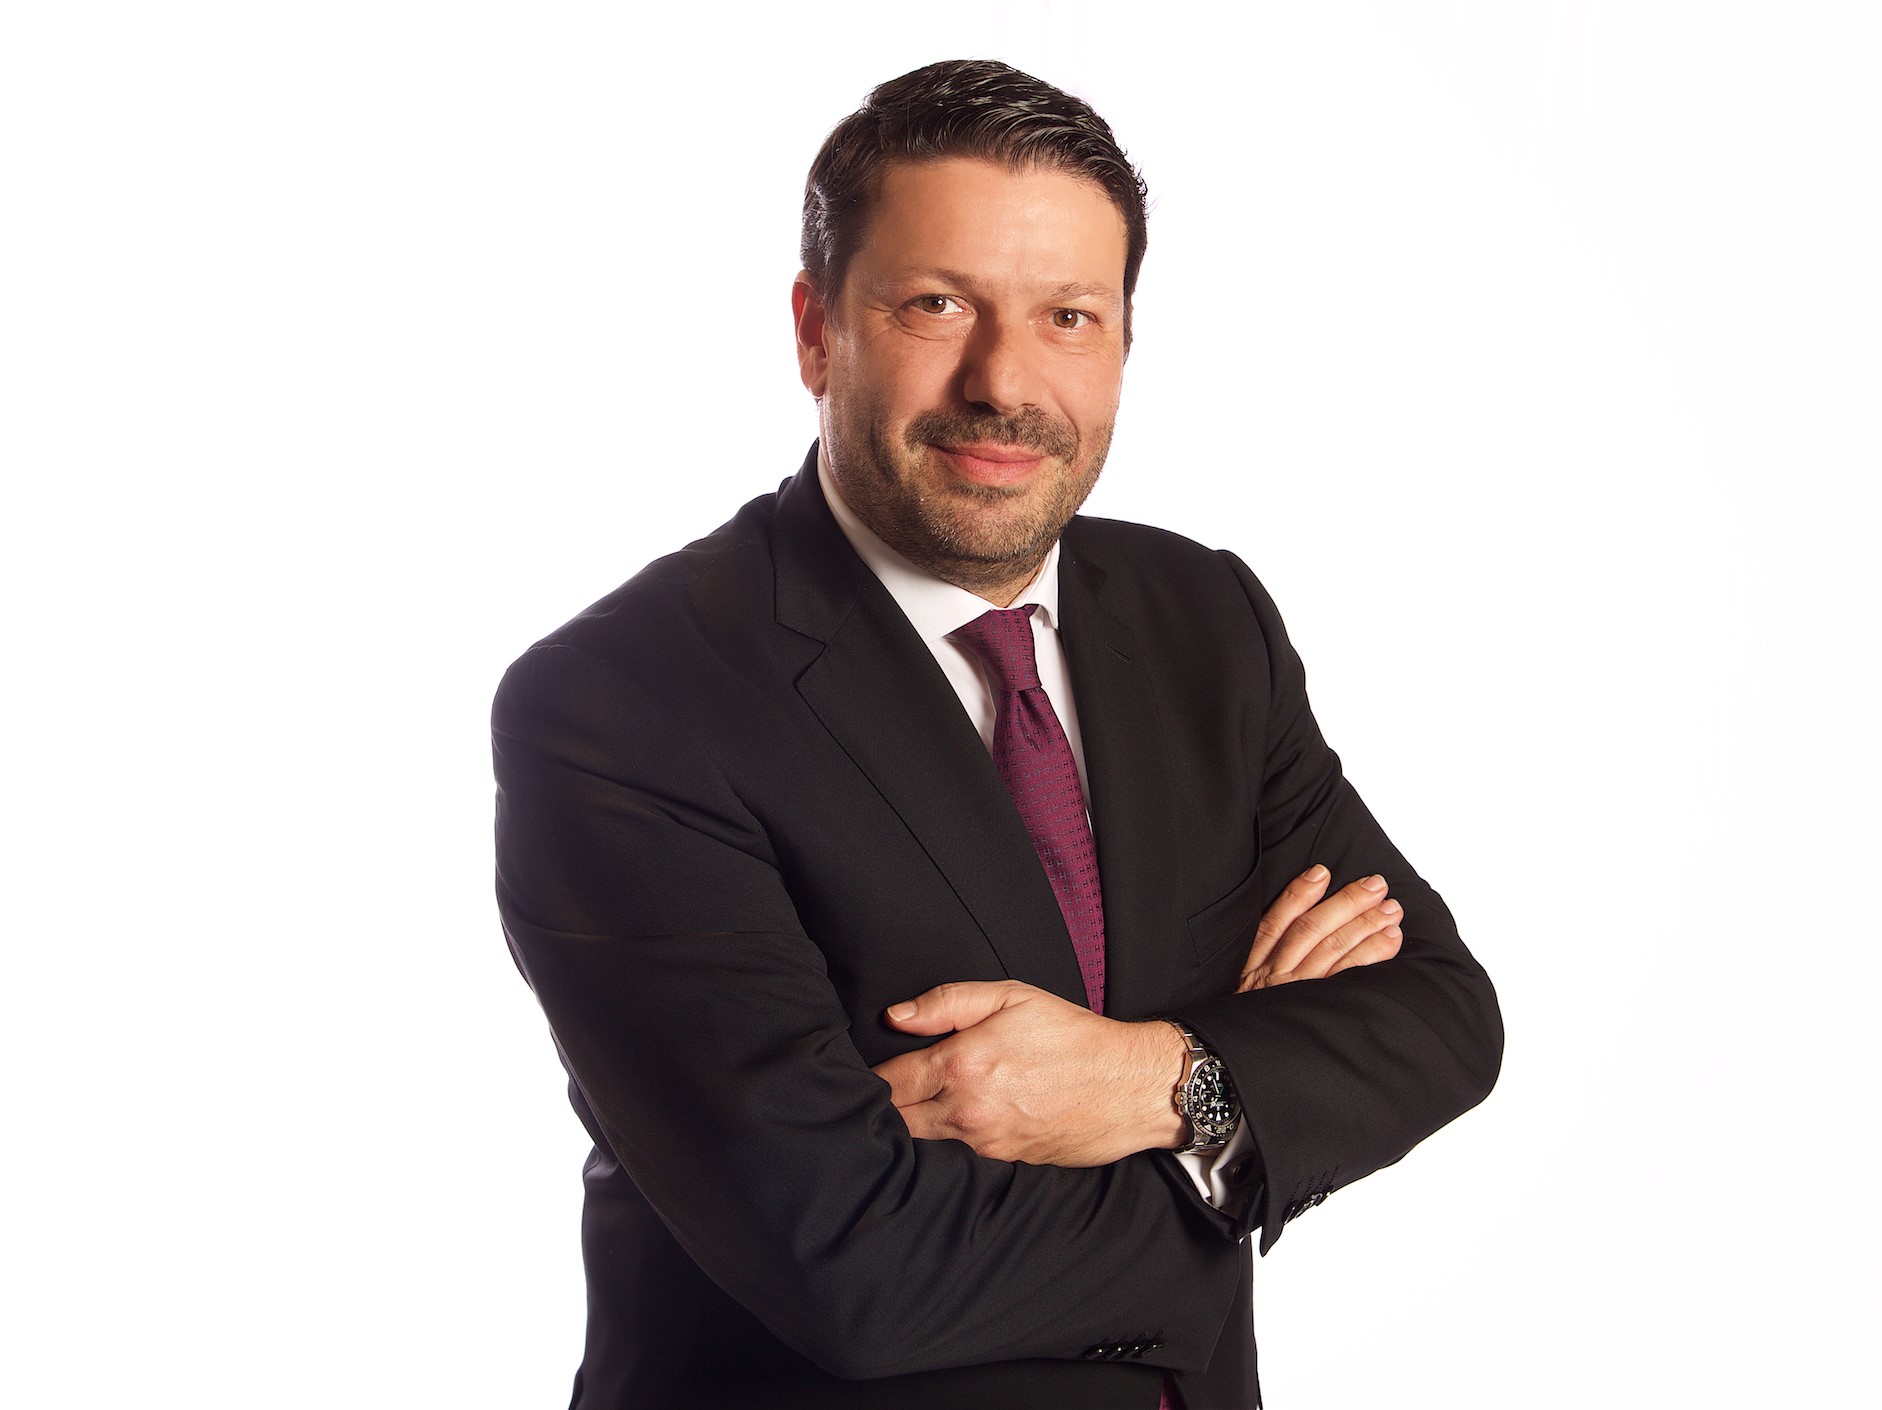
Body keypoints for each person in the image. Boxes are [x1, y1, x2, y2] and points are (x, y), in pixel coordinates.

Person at [493, 58, 1502, 1410]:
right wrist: (1240, 1145)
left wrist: (1159, 1078)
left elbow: (1437, 1015)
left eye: (1068, 316)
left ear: (1125, 342)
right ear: (816, 330)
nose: (1002, 381)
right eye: (937, 305)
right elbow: (858, 1269)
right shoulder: (623, 704)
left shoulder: (1202, 618)